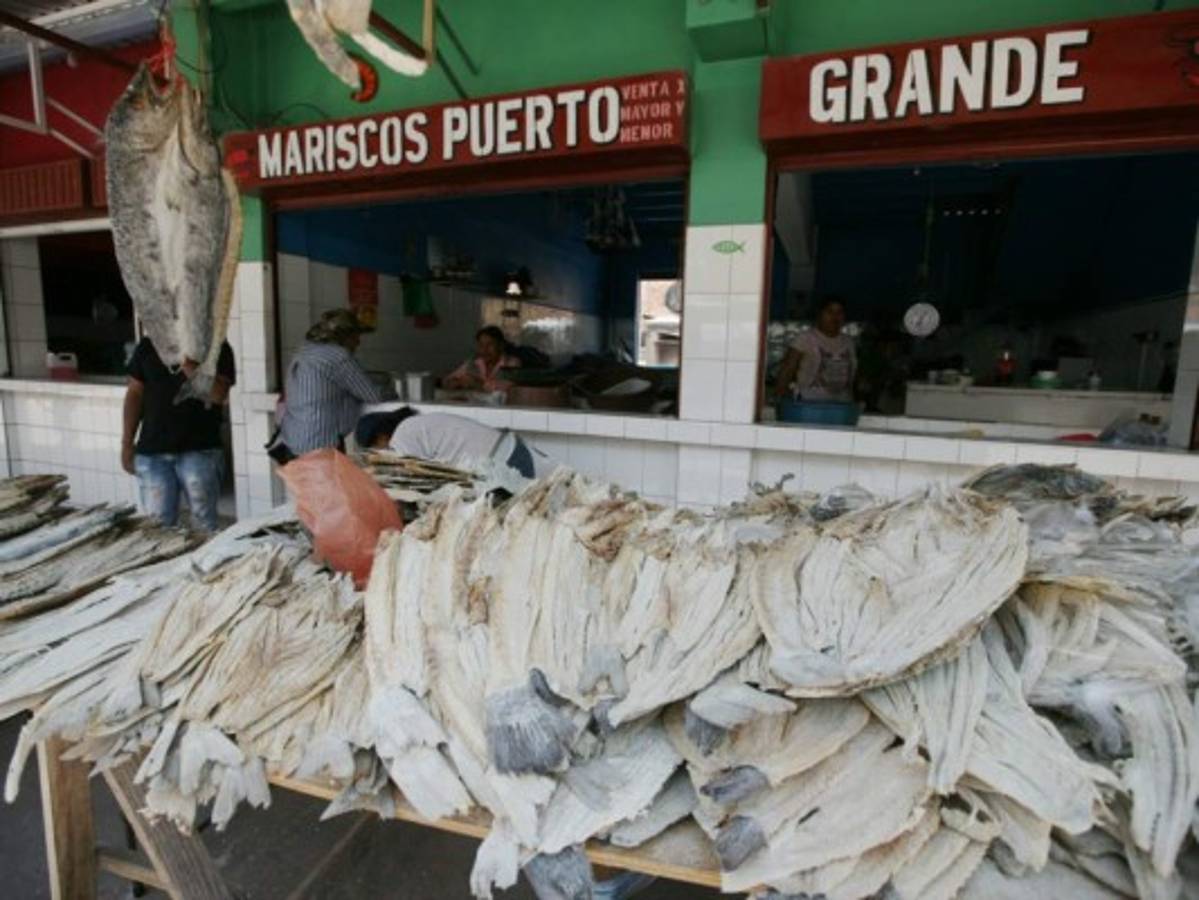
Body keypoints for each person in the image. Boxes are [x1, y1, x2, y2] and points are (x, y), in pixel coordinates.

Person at [121, 337, 235, 531]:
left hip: (201, 449)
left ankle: (204, 562)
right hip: (152, 451)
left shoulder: (216, 345)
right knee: (157, 528)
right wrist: (127, 443)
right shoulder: (148, 345)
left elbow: (218, 394)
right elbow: (134, 393)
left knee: (204, 525)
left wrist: (189, 366)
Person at [271, 309, 383, 462]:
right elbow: (373, 395)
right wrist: (390, 388)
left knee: (306, 487)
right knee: (327, 486)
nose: (358, 341)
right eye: (356, 335)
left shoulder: (305, 350)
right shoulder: (338, 356)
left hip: (293, 440)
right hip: (319, 445)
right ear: (344, 336)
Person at [354, 407, 550, 478]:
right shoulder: (413, 425)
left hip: (503, 464)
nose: (381, 453)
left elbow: (413, 477)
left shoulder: (402, 435)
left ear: (381, 436)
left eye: (376, 447)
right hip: (512, 453)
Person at [774, 296, 857, 402]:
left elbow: (852, 376)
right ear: (820, 315)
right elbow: (788, 368)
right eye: (829, 312)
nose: (835, 317)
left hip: (842, 405)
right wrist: (779, 395)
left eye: (839, 312)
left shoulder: (848, 342)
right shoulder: (806, 338)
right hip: (810, 405)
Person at [443, 325, 522, 392]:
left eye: (490, 344)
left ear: (500, 345)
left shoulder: (511, 362)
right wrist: (456, 383)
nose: (484, 350)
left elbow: (508, 387)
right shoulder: (473, 362)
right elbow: (447, 380)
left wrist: (478, 384)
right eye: (481, 345)